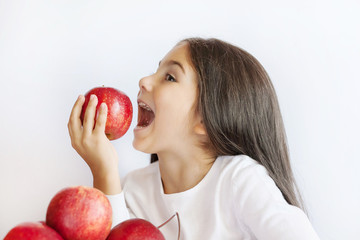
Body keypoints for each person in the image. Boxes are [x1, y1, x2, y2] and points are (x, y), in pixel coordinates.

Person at [68, 38, 320, 239]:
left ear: (205, 119)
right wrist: (104, 170)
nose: (143, 81)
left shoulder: (239, 181)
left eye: (169, 77)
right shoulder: (135, 189)